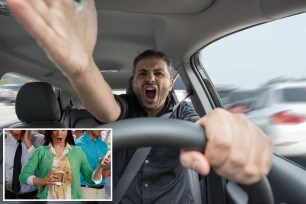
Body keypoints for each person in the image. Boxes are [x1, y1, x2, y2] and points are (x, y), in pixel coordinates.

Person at [7, 0, 272, 203]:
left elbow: (203, 126)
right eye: (143, 73)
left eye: (159, 73)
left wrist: (223, 128)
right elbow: (106, 108)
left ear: (170, 83)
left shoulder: (182, 112)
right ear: (134, 83)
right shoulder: (125, 109)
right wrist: (82, 68)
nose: (151, 79)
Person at [19, 130, 110, 199]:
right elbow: (23, 176)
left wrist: (100, 167)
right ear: (50, 132)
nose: (59, 133)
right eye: (55, 130)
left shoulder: (78, 151)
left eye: (63, 130)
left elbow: (91, 179)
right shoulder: (40, 151)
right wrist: (42, 180)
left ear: (67, 132)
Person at [75, 130, 110, 199]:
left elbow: (104, 167)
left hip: (101, 191)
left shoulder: (103, 145)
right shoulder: (79, 144)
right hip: (85, 191)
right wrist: (100, 175)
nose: (101, 129)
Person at [5, 130, 39, 199]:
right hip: (9, 194)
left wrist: (27, 141)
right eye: (11, 129)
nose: (14, 131)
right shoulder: (4, 143)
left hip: (32, 196)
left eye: (17, 128)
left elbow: (42, 166)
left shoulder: (39, 139)